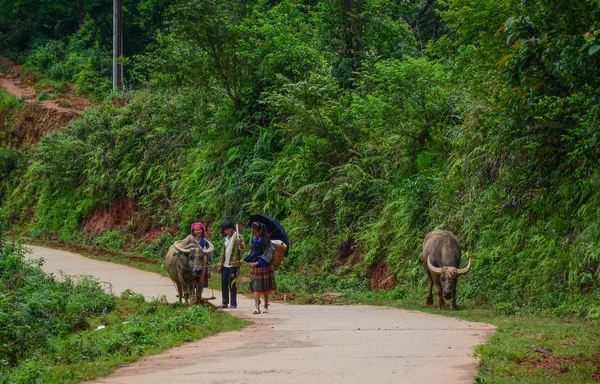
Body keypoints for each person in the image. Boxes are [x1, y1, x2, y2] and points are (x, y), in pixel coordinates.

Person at [241, 221, 276, 314]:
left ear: (260, 230)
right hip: (255, 267)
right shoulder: (254, 239)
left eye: (255, 232)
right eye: (253, 232)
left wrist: (258, 262)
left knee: (265, 288)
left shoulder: (267, 241)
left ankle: (265, 305)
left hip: (264, 266)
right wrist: (245, 259)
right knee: (256, 287)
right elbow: (252, 252)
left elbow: (268, 254)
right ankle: (257, 307)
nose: (254, 234)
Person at [217, 221, 245, 309]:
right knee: (224, 283)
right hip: (225, 265)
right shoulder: (226, 239)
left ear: (232, 228)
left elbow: (243, 249)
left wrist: (239, 243)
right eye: (224, 230)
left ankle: (233, 303)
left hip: (234, 265)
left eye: (227, 229)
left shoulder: (238, 237)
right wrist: (220, 265)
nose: (226, 231)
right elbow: (222, 253)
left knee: (232, 284)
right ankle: (225, 302)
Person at [191, 222, 212, 288]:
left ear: (202, 230)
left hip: (202, 264)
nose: (198, 231)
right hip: (193, 264)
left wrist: (208, 269)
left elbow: (208, 256)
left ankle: (199, 294)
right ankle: (193, 294)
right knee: (192, 281)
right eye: (196, 230)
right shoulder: (191, 242)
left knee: (201, 282)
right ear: (193, 232)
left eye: (199, 229)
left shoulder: (205, 242)